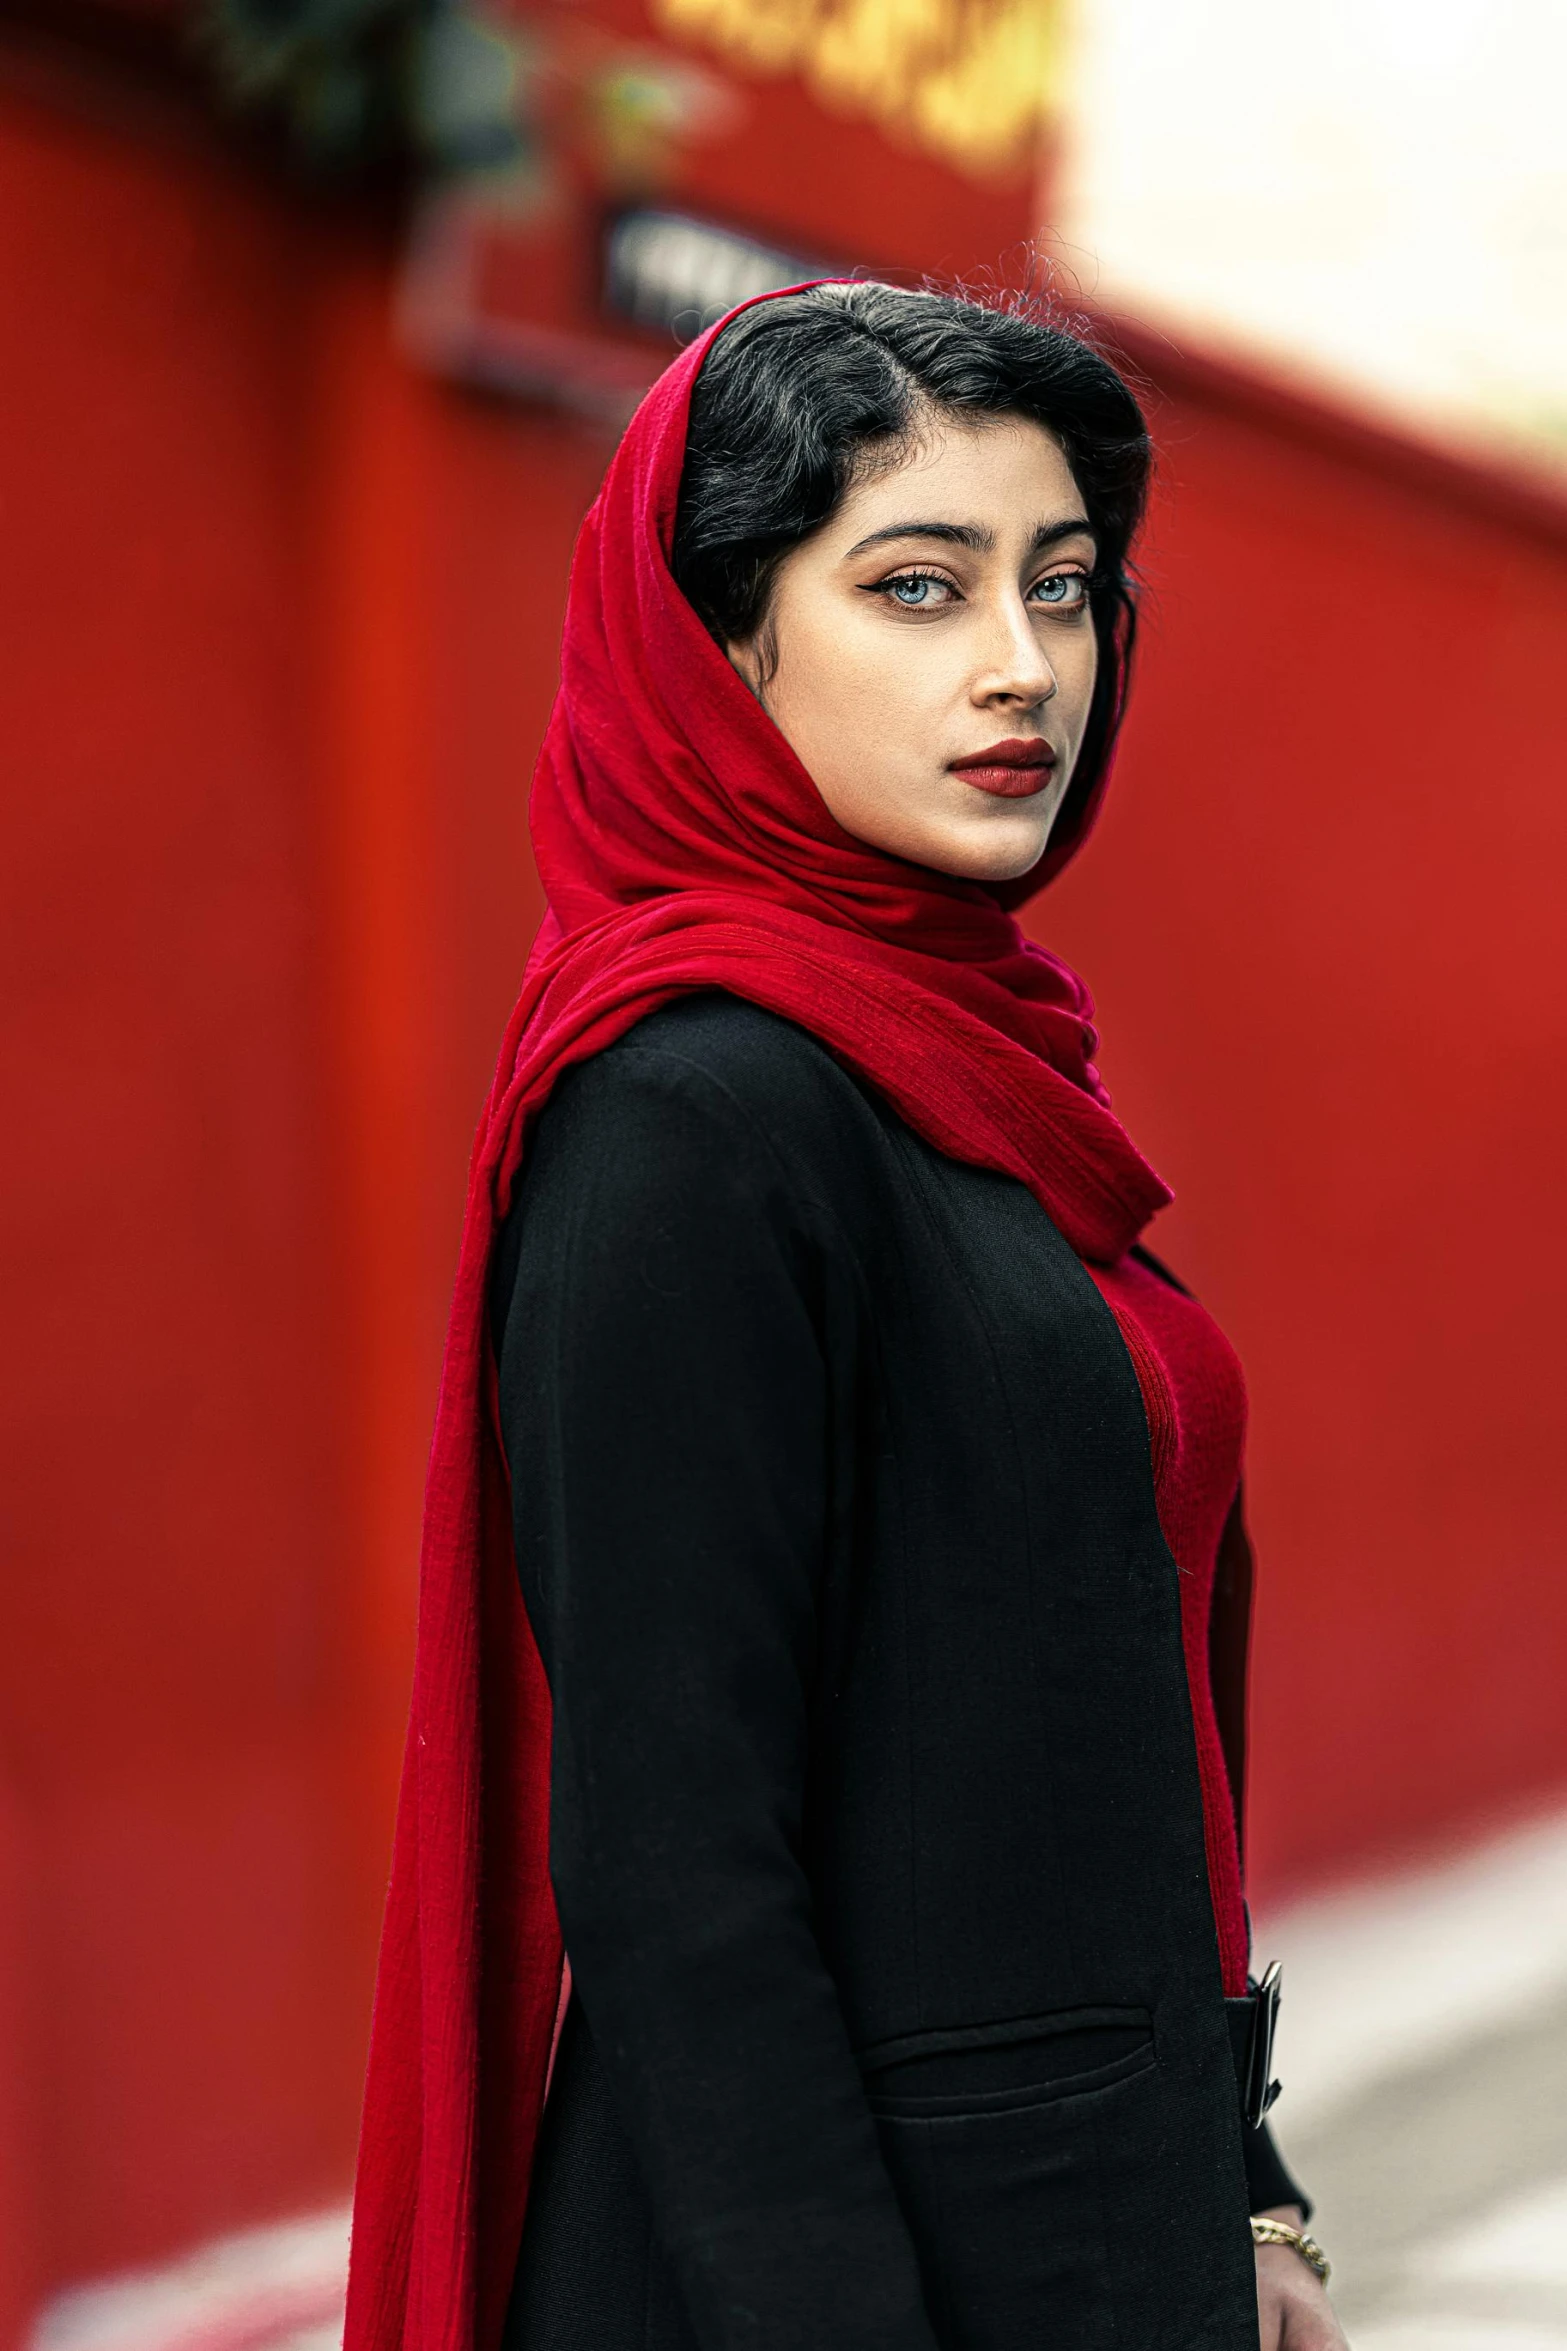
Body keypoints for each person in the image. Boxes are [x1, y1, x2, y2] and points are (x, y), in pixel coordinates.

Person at [344, 282, 1350, 2351]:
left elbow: (1091, 1737)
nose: (1022, 667)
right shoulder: (694, 1111)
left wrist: (1240, 2198)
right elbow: (680, 1868)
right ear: (717, 639)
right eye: (918, 584)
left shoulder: (975, 1077)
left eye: (1063, 591)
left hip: (1090, 2232)